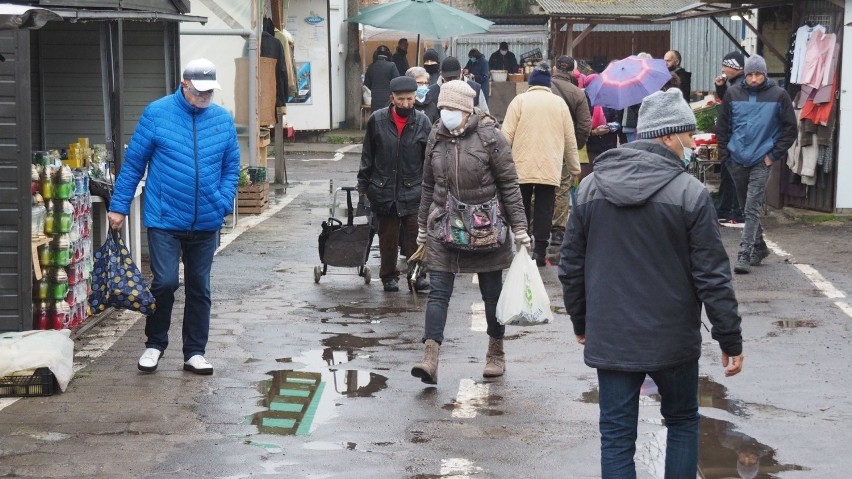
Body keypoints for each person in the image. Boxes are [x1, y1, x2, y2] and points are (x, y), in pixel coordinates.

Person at [558, 88, 745, 478]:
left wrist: (581, 321)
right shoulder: (689, 193)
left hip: (610, 334)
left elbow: (571, 265)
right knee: (680, 422)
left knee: (615, 433)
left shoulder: (591, 188)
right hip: (672, 337)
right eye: (689, 137)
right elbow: (713, 276)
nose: (692, 145)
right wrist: (729, 339)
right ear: (667, 136)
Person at [108, 58, 240, 375]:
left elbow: (232, 168)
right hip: (165, 218)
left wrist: (221, 202)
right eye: (199, 91)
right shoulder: (157, 113)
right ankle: (155, 344)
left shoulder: (223, 119)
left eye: (209, 92)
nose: (204, 97)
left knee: (199, 288)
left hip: (206, 221)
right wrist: (118, 205)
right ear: (184, 85)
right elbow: (133, 164)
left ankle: (194, 352)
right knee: (165, 283)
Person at [410, 80, 528, 384]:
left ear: (466, 110)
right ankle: (430, 357)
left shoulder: (491, 137)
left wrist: (521, 229)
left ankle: (495, 352)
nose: (445, 114)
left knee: (492, 295)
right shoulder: (436, 135)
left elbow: (510, 186)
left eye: (451, 108)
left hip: (485, 227)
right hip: (444, 224)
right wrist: (423, 226)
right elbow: (427, 184)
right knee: (438, 293)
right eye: (442, 108)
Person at [716, 55, 797, 274]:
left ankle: (745, 253)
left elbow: (791, 129)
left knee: (751, 207)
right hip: (736, 159)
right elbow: (722, 126)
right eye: (750, 74)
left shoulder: (779, 95)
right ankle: (760, 248)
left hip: (762, 159)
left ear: (765, 74)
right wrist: (726, 155)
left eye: (758, 74)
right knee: (745, 206)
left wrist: (773, 155)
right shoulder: (732, 93)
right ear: (745, 74)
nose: (753, 79)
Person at [502, 61, 581, 266]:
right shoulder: (559, 104)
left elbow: (505, 137)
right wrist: (575, 168)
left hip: (521, 166)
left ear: (531, 82)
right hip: (550, 166)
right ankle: (539, 252)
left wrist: (500, 166)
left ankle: (522, 247)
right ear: (548, 84)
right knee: (545, 208)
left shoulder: (519, 101)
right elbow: (570, 140)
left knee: (521, 206)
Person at [358, 76, 432, 292]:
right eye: (401, 99)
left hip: (414, 189)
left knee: (416, 237)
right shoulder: (377, 120)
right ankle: (389, 276)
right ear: (392, 98)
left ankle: (418, 274)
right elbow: (367, 156)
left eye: (410, 99)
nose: (406, 104)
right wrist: (363, 186)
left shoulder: (423, 122)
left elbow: (429, 159)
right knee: (387, 238)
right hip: (383, 189)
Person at [549, 55, 592, 246]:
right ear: (573, 71)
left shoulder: (543, 89)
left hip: (541, 144)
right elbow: (585, 125)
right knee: (562, 186)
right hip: (564, 145)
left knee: (538, 184)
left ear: (555, 69)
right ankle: (558, 230)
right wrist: (576, 145)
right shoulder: (577, 93)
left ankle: (534, 226)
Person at [713, 51, 746, 224]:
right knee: (728, 175)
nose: (722, 69)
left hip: (735, 138)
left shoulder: (740, 85)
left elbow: (732, 110)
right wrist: (721, 88)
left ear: (734, 67)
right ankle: (724, 210)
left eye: (725, 65)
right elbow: (728, 103)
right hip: (733, 137)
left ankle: (736, 212)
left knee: (733, 176)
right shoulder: (734, 84)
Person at [421, 56, 488, 124]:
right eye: (448, 78)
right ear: (441, 74)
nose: (452, 81)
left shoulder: (475, 88)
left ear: (461, 72)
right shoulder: (431, 92)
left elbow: (485, 116)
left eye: (455, 77)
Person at [364, 45, 400, 114]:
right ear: (389, 55)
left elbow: (366, 84)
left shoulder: (370, 67)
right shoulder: (392, 65)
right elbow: (397, 83)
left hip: (374, 99)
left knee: (376, 119)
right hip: (389, 100)